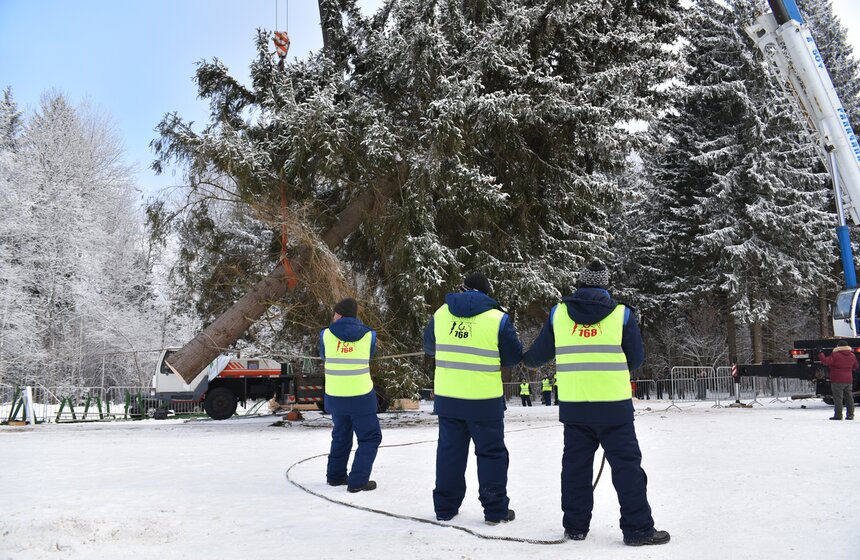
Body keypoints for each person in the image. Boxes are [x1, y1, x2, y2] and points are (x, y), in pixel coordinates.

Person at [523, 259, 670, 546]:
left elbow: (538, 355)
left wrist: (520, 357)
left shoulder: (559, 313)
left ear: (580, 283)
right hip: (614, 407)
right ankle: (638, 529)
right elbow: (636, 359)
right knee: (627, 468)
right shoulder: (622, 315)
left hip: (576, 407)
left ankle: (575, 527)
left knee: (575, 468)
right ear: (605, 284)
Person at [423, 272, 522, 525]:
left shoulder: (441, 314)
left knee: (449, 453)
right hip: (484, 400)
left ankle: (445, 508)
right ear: (487, 293)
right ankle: (495, 510)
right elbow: (512, 357)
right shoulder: (498, 318)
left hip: (449, 398)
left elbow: (430, 347)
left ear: (462, 289)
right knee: (491, 455)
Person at [320, 298, 382, 493]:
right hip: (360, 395)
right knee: (370, 437)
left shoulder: (326, 335)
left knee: (341, 435)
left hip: (335, 394)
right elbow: (369, 356)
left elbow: (324, 356)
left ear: (339, 314)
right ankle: (358, 480)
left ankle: (336, 476)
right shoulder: (369, 335)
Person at [817, 341, 857, 420]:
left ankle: (838, 415)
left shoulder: (836, 355)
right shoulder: (852, 355)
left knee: (838, 398)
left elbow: (826, 361)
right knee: (849, 397)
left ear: (838, 346)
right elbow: (855, 366)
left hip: (837, 379)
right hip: (848, 379)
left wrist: (820, 353)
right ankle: (850, 414)